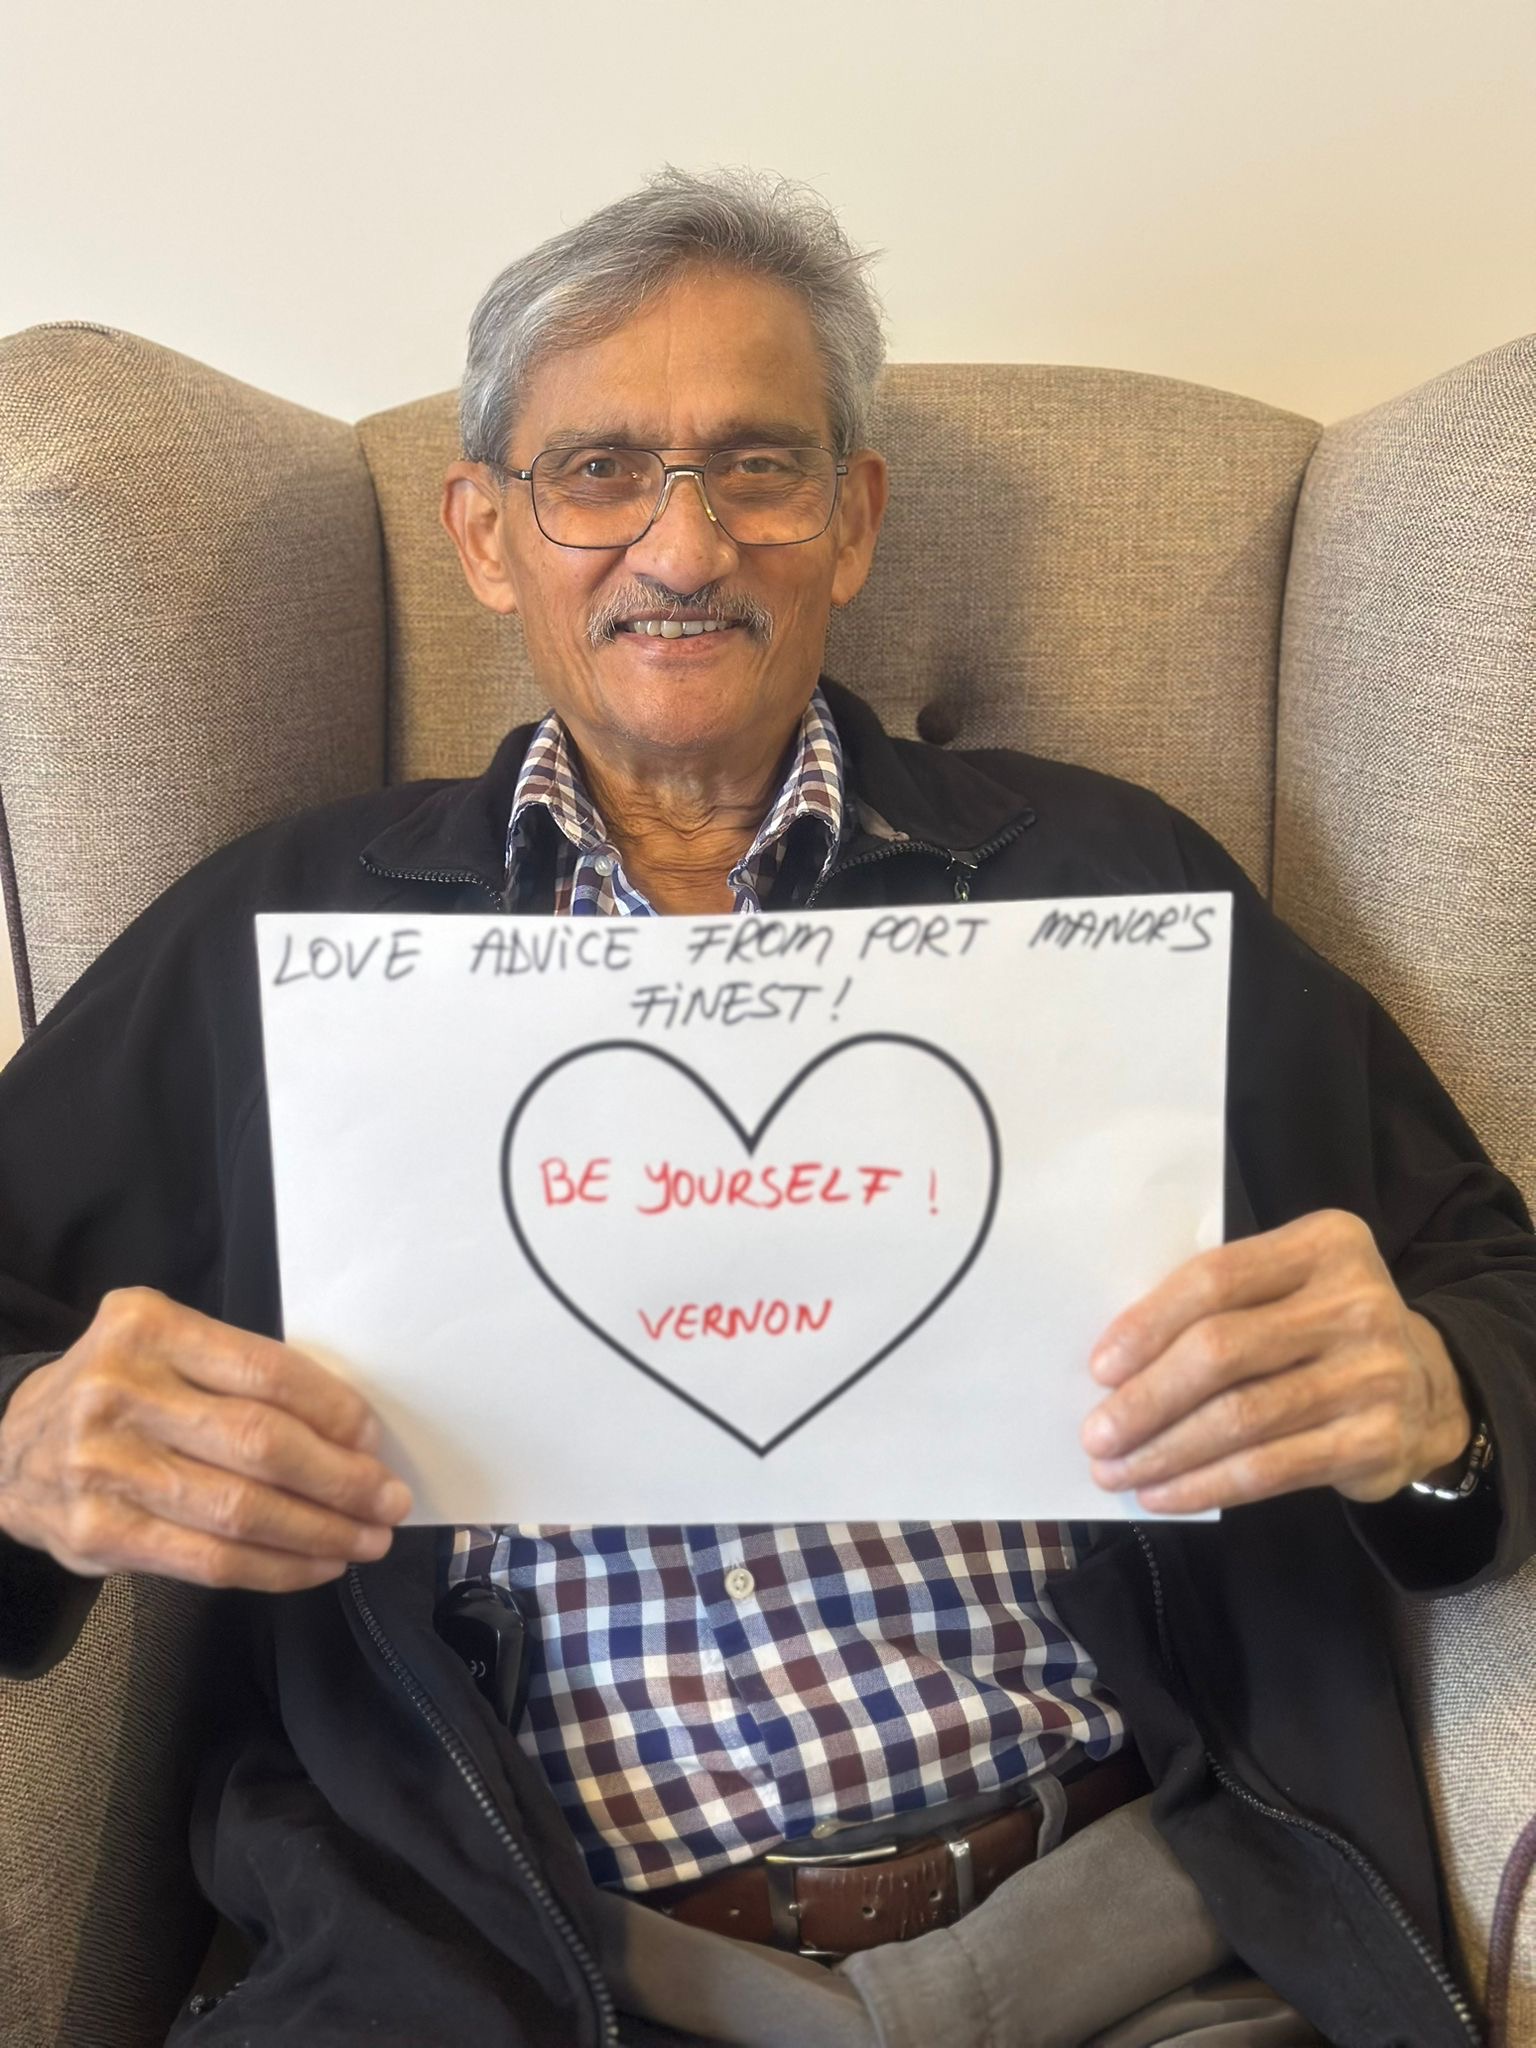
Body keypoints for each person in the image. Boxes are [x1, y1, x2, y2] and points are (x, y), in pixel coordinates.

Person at [0, 168, 1531, 2048]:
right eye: (597, 472)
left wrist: (1433, 1405)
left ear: (852, 518)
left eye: (755, 469)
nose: (683, 544)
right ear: (486, 533)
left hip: (1138, 1926)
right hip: (508, 1960)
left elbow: (1488, 1277)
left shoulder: (1106, 887)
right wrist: (29, 1448)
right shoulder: (286, 938)